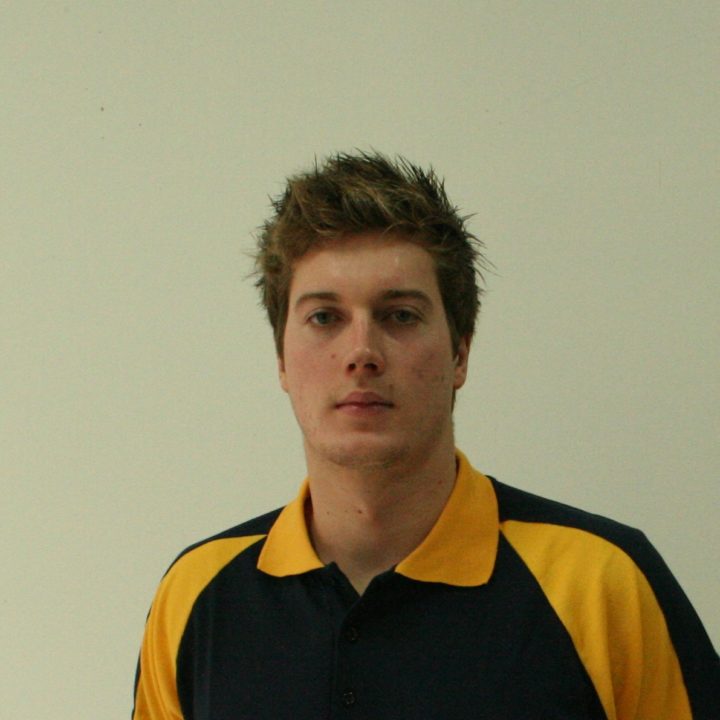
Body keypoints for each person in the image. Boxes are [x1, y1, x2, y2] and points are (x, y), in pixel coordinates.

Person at [132, 151, 719, 719]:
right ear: (282, 359)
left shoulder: (601, 584)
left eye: (400, 315)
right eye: (324, 317)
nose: (361, 352)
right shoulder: (196, 596)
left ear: (460, 353)